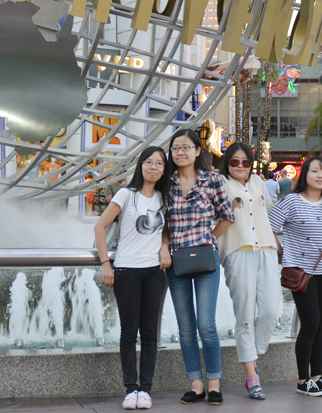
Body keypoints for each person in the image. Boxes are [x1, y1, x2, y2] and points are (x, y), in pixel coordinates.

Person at [94, 146, 171, 410]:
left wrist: (164, 245)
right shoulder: (126, 195)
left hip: (154, 273)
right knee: (129, 332)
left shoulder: (163, 198)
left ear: (164, 170)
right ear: (140, 166)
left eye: (159, 164)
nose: (153, 167)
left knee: (150, 333)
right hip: (126, 271)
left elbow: (165, 231)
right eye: (149, 162)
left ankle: (145, 390)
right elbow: (100, 226)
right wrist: (106, 264)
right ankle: (130, 389)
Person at [163, 128, 234, 405]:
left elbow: (227, 217)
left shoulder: (213, 180)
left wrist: (208, 241)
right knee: (185, 326)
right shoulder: (165, 184)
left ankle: (214, 383)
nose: (180, 152)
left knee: (206, 324)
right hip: (176, 260)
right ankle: (195, 383)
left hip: (205, 258)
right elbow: (163, 223)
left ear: (197, 151)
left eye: (186, 147)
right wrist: (164, 244)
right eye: (175, 148)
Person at [269, 156, 322, 397]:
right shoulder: (291, 201)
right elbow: (268, 227)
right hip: (301, 274)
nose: (320, 176)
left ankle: (318, 377)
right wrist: (281, 252)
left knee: (319, 325)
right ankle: (303, 380)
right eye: (315, 171)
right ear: (305, 175)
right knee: (310, 323)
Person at [217, 142, 280, 400]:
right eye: (235, 161)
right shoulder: (219, 184)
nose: (241, 166)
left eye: (246, 162)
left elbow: (269, 215)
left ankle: (253, 355)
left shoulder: (258, 182)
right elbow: (210, 217)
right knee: (244, 316)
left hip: (266, 250)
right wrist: (229, 209)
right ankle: (251, 376)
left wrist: (278, 244)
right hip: (237, 252)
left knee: (270, 311)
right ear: (227, 163)